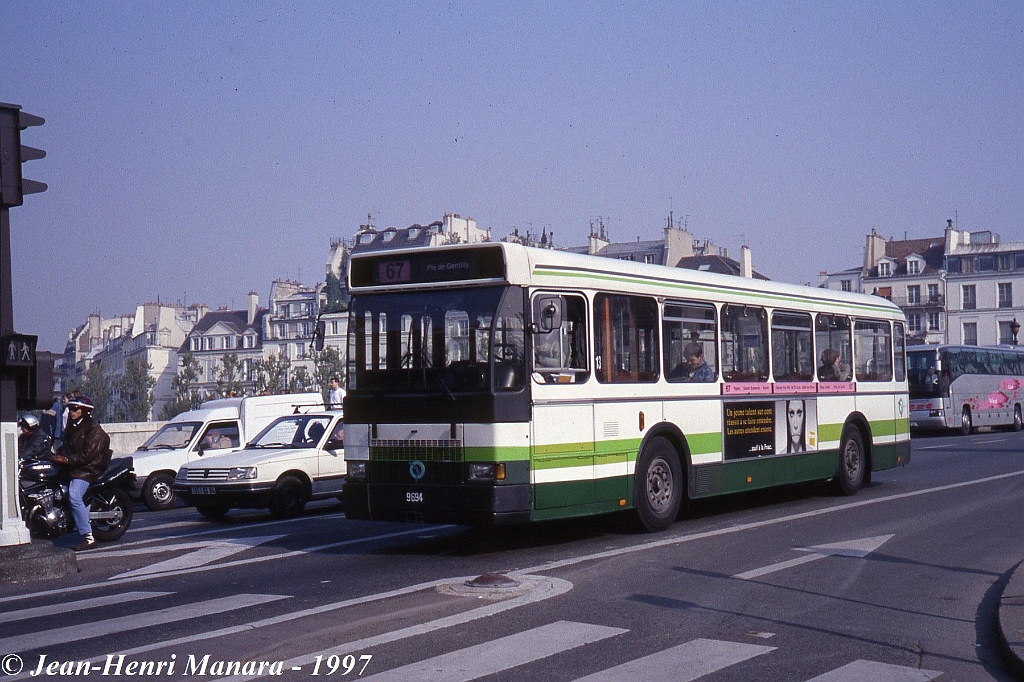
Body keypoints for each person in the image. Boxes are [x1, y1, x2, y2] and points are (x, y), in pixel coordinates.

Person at [49, 395, 111, 551]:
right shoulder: (72, 426)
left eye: (75, 409)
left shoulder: (93, 428)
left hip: (87, 468)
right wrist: (55, 454)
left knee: (74, 496)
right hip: (74, 466)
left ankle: (88, 537)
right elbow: (66, 446)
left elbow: (88, 454)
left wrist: (67, 460)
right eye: (70, 408)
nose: (71, 411)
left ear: (84, 411)